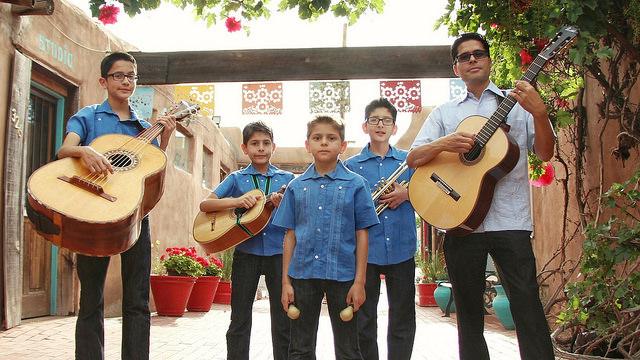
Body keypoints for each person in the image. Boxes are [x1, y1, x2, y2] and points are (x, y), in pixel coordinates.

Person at [407, 32, 555, 360]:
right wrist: (444, 143)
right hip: (460, 223)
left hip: (510, 221)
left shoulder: (517, 104)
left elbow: (544, 154)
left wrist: (541, 113)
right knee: (469, 315)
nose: (472, 59)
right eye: (464, 56)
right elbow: (414, 158)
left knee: (527, 303)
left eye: (479, 53)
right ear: (456, 68)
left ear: (489, 61)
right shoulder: (445, 113)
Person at [57, 51, 177, 360]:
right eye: (118, 75)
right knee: (91, 299)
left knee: (137, 300)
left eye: (131, 77)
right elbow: (64, 149)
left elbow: (152, 170)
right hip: (93, 216)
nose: (126, 81)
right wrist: (84, 151)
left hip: (136, 216)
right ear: (103, 80)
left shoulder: (142, 126)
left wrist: (165, 139)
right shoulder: (88, 116)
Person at [273, 116, 379, 360]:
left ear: (342, 145)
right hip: (302, 276)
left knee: (349, 349)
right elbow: (289, 236)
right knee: (299, 348)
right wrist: (286, 283)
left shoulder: (357, 185)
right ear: (307, 144)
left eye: (331, 138)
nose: (324, 143)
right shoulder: (295, 187)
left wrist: (359, 283)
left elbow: (362, 234)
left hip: (343, 276)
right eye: (317, 138)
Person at [199, 121, 294, 360]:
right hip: (246, 254)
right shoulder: (236, 178)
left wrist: (283, 204)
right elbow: (206, 204)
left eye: (265, 143)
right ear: (244, 148)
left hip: (280, 256)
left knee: (283, 319)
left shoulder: (289, 179)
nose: (260, 148)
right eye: (254, 144)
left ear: (274, 146)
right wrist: (237, 201)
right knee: (239, 319)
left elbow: (301, 213)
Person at [344, 98, 417, 360]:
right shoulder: (351, 166)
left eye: (386, 120)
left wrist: (406, 194)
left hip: (402, 247)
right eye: (374, 120)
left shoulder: (410, 162)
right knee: (363, 317)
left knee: (403, 317)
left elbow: (428, 192)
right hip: (366, 252)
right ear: (365, 126)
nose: (380, 125)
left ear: (394, 128)